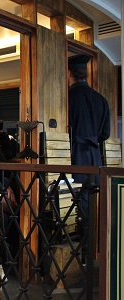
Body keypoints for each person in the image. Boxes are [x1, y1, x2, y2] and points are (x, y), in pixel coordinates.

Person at [68, 54, 110, 262]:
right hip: (95, 157)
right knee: (91, 202)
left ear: (70, 74)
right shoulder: (101, 100)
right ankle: (91, 248)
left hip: (74, 155)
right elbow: (105, 134)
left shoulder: (69, 97)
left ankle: (86, 251)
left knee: (80, 203)